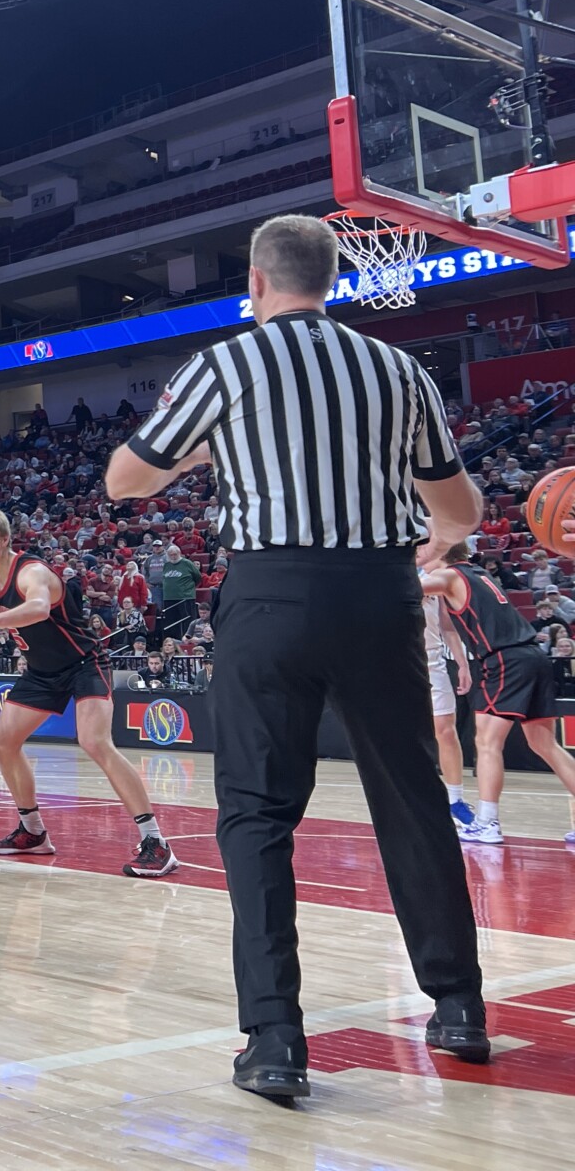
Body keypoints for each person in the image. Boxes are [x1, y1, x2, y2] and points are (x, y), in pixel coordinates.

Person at [106, 214, 488, 1101]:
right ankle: (459, 1005)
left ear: (255, 280)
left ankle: (275, 1040)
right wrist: (423, 554)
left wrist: (208, 449)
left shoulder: (224, 364)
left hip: (269, 595)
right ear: (334, 276)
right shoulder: (398, 370)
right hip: (378, 593)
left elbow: (127, 479)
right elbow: (461, 507)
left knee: (254, 814)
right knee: (412, 799)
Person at [0, 509, 177, 877]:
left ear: (3, 540)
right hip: (42, 671)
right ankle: (33, 832)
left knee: (95, 742)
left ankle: (156, 841)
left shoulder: (31, 572)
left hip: (83, 664)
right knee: (2, 742)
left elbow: (39, 607)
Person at [424, 545, 575, 844]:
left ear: (441, 553)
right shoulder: (479, 573)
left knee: (487, 742)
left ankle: (487, 822)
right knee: (545, 744)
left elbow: (405, 586)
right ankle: (486, 820)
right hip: (533, 656)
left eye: (423, 552)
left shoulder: (450, 575)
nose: (420, 557)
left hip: (506, 660)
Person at [419, 577, 475, 832]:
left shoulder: (433, 579)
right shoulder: (382, 573)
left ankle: (455, 800)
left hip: (432, 663)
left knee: (446, 731)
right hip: (395, 662)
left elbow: (447, 625)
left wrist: (463, 663)